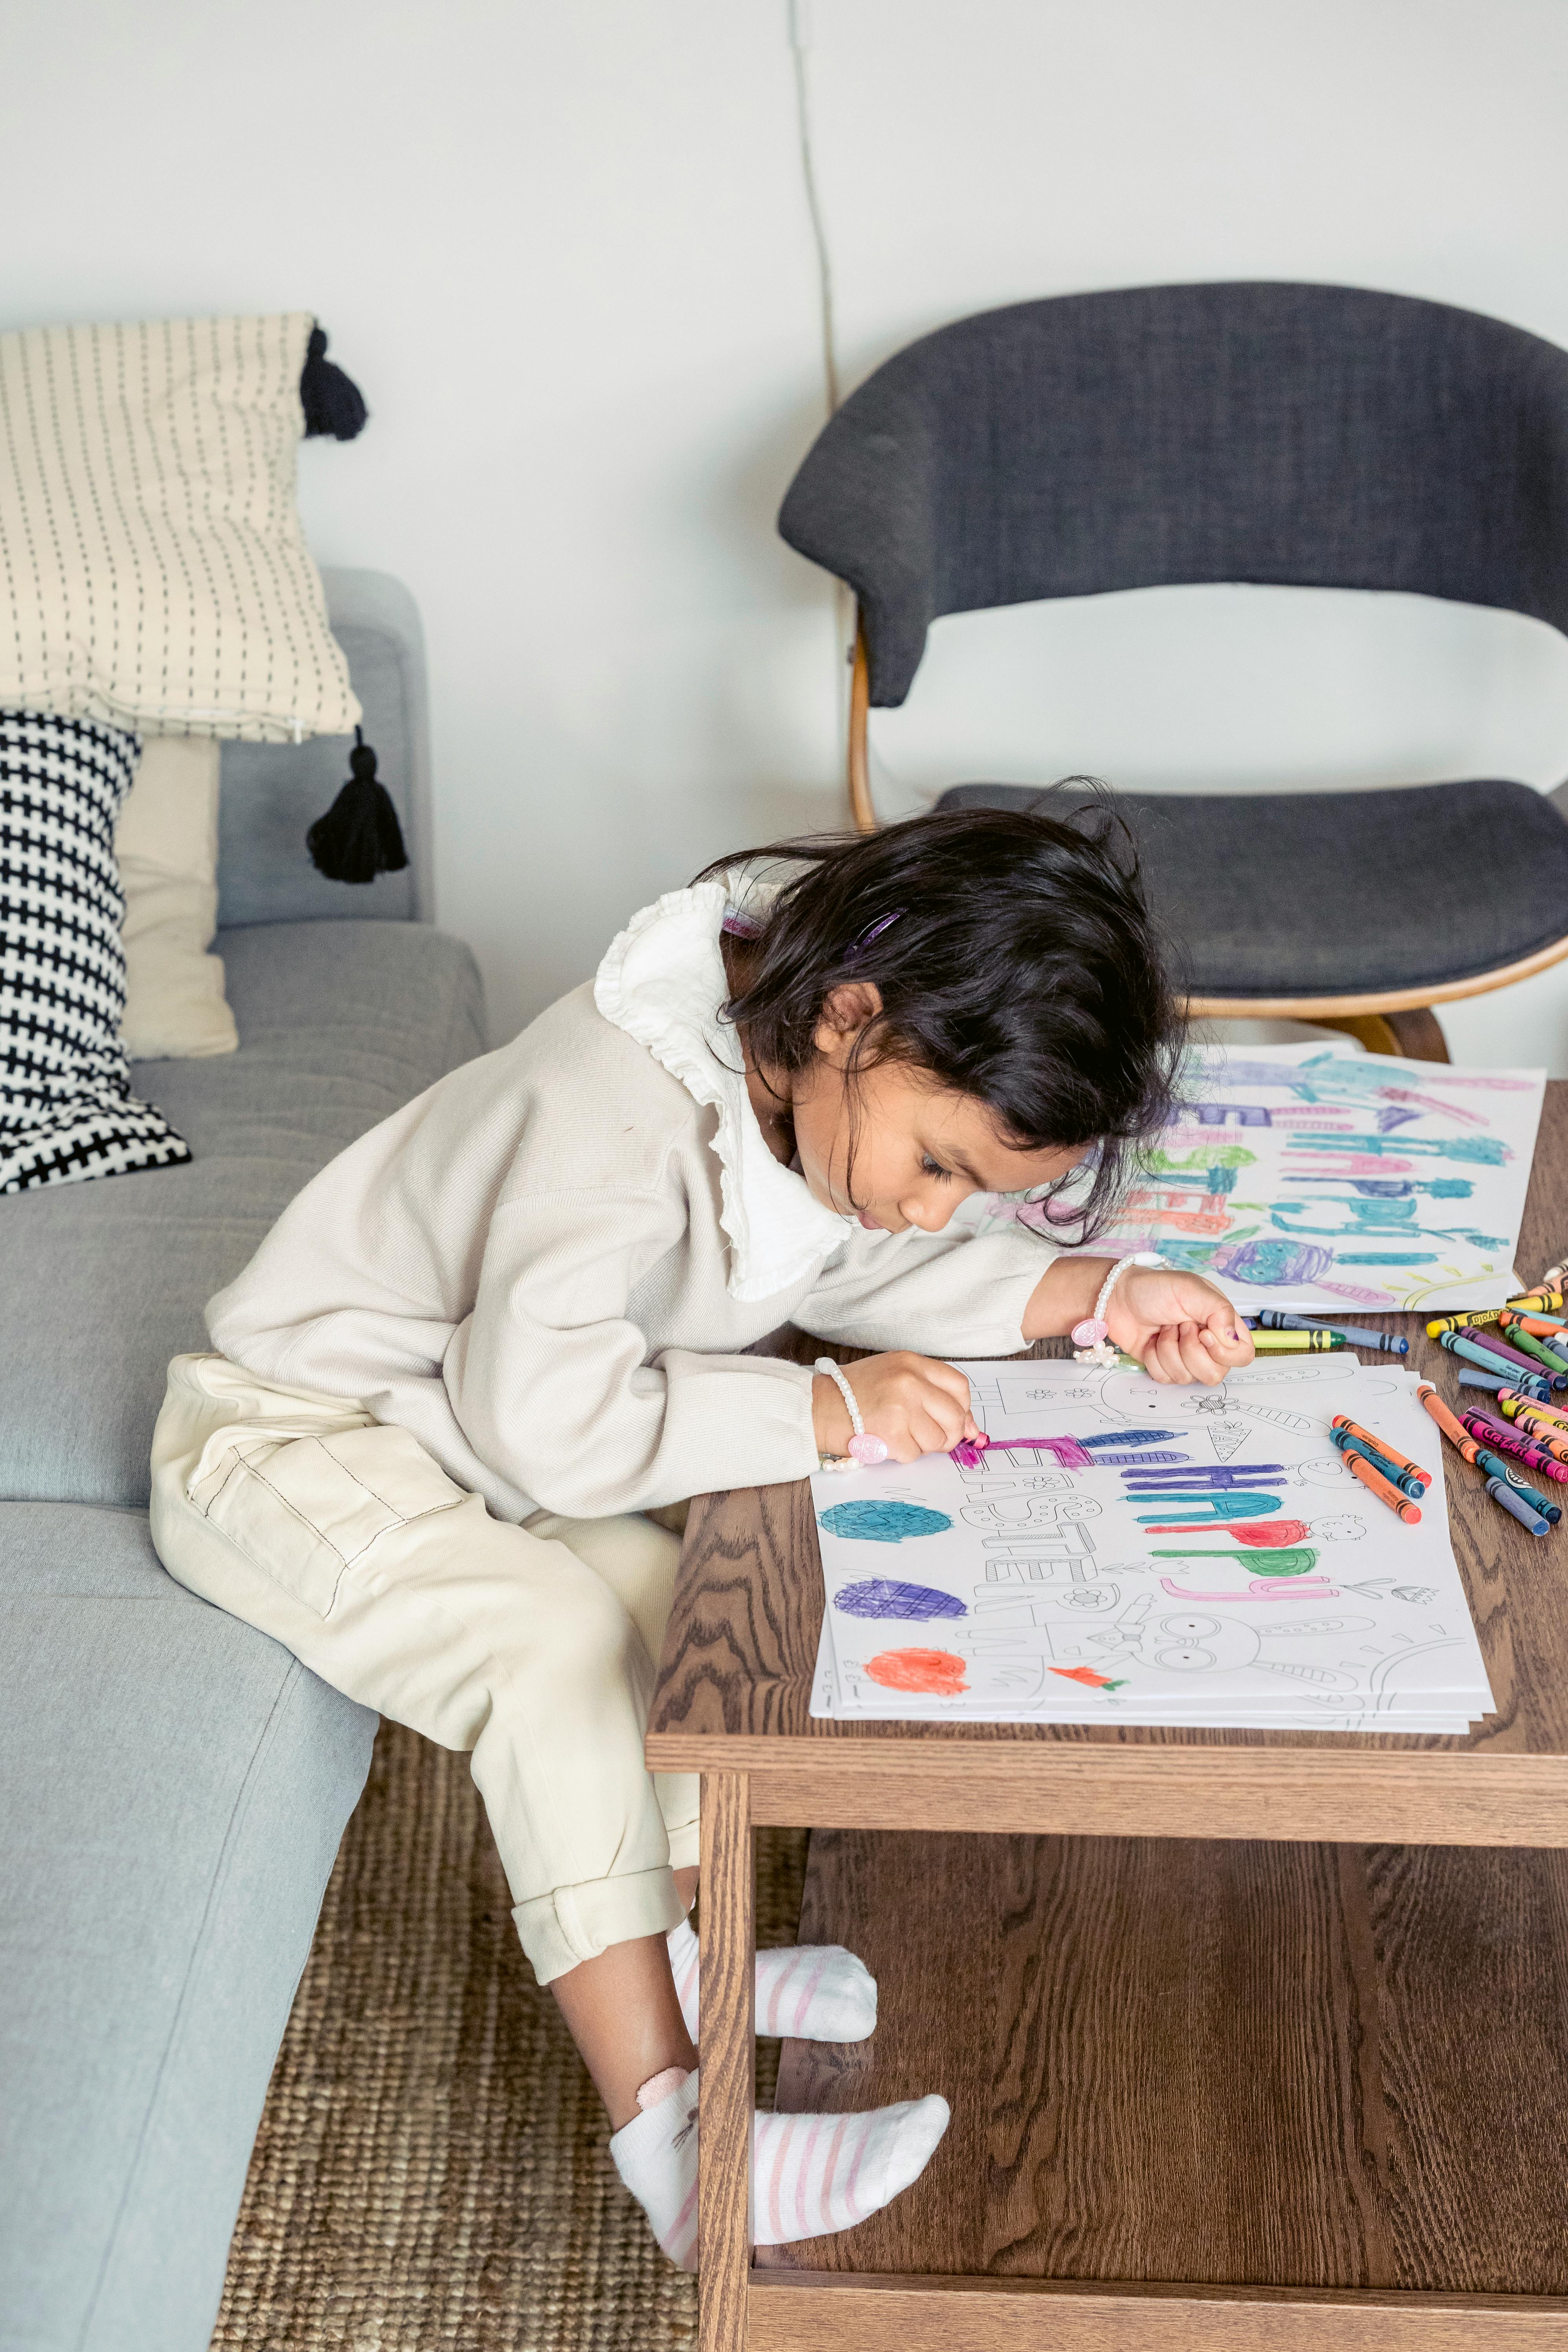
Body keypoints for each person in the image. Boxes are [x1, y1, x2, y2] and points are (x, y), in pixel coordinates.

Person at [149, 797, 1253, 2268]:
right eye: (941, 1166)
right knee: (545, 1646)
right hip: (289, 1438)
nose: (932, 1217)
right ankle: (677, 2137)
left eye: (977, 1196)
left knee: (674, 1601)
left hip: (448, 1436)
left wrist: (1091, 1299)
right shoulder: (615, 1105)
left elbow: (855, 1259)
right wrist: (818, 1413)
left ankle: (689, 1954)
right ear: (856, 1018)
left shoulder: (807, 1070)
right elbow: (552, 1421)